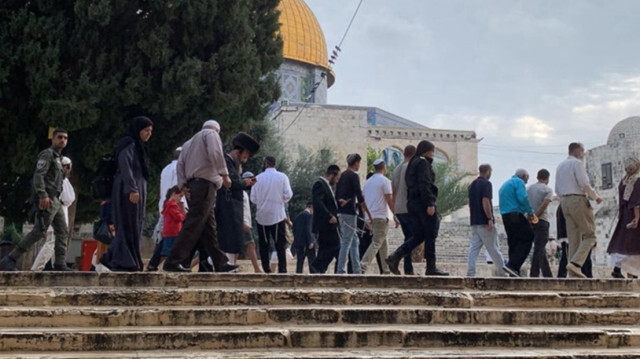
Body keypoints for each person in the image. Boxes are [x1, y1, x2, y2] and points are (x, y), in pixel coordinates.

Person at [162, 120, 237, 273]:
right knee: (193, 223)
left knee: (208, 228)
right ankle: (172, 261)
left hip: (192, 186)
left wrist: (183, 185)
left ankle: (220, 262)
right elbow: (215, 154)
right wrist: (225, 175)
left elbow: (180, 165)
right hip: (205, 185)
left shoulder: (189, 142)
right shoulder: (211, 134)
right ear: (217, 129)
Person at [1, 128, 72, 271]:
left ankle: (60, 263)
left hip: (56, 200)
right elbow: (39, 176)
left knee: (63, 232)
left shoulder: (58, 157)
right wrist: (43, 195)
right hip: (48, 199)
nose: (62, 140)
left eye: (65, 138)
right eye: (60, 137)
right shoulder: (47, 155)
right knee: (39, 231)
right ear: (53, 139)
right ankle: (11, 258)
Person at [386, 140, 448, 276]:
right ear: (427, 151)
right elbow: (424, 184)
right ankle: (431, 267)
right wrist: (430, 203)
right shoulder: (423, 163)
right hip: (422, 204)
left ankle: (395, 256)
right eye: (432, 151)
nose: (433, 155)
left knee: (419, 235)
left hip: (412, 204)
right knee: (430, 234)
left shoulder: (412, 163)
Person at [100, 116, 153, 272]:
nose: (148, 134)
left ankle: (125, 259)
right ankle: (122, 259)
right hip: (128, 189)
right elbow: (125, 165)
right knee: (127, 223)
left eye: (150, 131)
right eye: (146, 130)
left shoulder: (138, 146)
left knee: (135, 224)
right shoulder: (128, 143)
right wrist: (132, 189)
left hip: (136, 186)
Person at [555, 142, 602, 278]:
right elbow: (584, 183)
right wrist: (595, 197)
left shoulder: (560, 166)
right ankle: (576, 264)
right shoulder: (577, 164)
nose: (583, 153)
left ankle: (572, 273)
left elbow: (557, 189)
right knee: (590, 235)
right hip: (578, 199)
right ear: (576, 151)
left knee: (573, 238)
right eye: (582, 151)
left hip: (564, 202)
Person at [217, 133, 260, 265]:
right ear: (237, 153)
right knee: (226, 239)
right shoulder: (227, 162)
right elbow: (233, 183)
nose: (245, 160)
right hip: (226, 206)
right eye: (244, 156)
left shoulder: (232, 164)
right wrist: (245, 183)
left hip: (231, 207)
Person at [31, 156, 76, 271]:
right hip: (56, 215)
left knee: (54, 243)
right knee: (51, 243)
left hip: (51, 213)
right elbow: (68, 198)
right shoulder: (61, 180)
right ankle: (36, 268)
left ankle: (56, 265)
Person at [250, 156, 293, 273]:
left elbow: (253, 198)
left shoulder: (256, 178)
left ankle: (266, 268)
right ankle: (282, 269)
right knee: (280, 244)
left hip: (262, 216)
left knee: (264, 244)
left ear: (265, 164)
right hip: (277, 214)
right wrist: (279, 200)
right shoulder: (283, 177)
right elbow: (288, 195)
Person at [466, 164, 505, 277]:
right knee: (493, 248)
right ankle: (502, 272)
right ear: (488, 171)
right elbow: (485, 201)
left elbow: (470, 203)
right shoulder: (487, 184)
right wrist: (489, 218)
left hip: (474, 222)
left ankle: (471, 272)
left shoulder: (472, 185)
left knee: (474, 248)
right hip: (484, 221)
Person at [335, 153, 372, 274]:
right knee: (346, 241)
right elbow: (359, 196)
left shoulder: (342, 176)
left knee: (354, 241)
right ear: (356, 162)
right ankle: (341, 269)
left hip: (341, 212)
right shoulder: (354, 176)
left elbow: (338, 195)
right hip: (349, 213)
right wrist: (368, 214)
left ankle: (357, 269)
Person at [148, 147, 183, 271]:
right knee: (169, 239)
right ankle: (156, 263)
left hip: (164, 205)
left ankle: (154, 263)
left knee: (165, 238)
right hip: (174, 207)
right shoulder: (178, 169)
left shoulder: (166, 169)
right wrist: (181, 206)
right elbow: (177, 189)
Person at [361, 159, 397, 274]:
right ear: (384, 168)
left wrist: (366, 217)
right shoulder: (385, 181)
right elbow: (389, 199)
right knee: (377, 242)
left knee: (383, 243)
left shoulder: (367, 182)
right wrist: (395, 214)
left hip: (370, 217)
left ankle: (386, 270)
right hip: (381, 216)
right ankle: (362, 265)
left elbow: (363, 201)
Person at [607, 156, 640, 278]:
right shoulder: (637, 181)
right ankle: (630, 272)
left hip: (624, 215)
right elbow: (636, 203)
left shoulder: (623, 181)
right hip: (632, 216)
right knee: (632, 245)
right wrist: (636, 218)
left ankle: (622, 269)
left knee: (623, 243)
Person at [498, 168, 535, 277]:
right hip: (515, 214)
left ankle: (513, 270)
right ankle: (513, 265)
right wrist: (530, 212)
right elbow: (523, 198)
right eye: (527, 179)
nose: (526, 182)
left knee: (513, 242)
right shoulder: (519, 182)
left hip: (505, 216)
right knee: (528, 236)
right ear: (524, 176)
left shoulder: (505, 185)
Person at [310, 165, 342, 273]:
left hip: (328, 224)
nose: (337, 181)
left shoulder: (326, 186)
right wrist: (329, 216)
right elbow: (318, 203)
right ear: (332, 175)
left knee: (326, 248)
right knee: (335, 245)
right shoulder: (320, 184)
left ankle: (320, 269)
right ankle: (317, 266)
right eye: (337, 178)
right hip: (325, 224)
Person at [392, 145, 417, 275]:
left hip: (399, 208)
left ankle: (408, 267)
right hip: (409, 208)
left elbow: (394, 191)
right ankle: (396, 258)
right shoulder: (412, 167)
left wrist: (394, 212)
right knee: (414, 237)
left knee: (408, 237)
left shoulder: (396, 169)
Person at [147, 186, 186, 269]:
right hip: (173, 232)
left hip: (168, 231)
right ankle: (169, 265)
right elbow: (178, 217)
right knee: (169, 251)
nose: (180, 199)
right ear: (174, 194)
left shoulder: (167, 205)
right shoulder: (172, 205)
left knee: (164, 250)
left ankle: (153, 265)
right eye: (180, 196)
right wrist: (184, 215)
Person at [527, 169, 554, 278]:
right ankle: (534, 273)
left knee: (540, 248)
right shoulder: (547, 190)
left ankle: (548, 275)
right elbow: (544, 205)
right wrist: (535, 216)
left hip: (529, 220)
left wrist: (530, 216)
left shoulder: (528, 189)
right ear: (547, 178)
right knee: (539, 248)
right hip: (541, 220)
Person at [557, 205, 593, 278]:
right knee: (568, 257)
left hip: (573, 235)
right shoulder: (574, 202)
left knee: (567, 257)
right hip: (573, 235)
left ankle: (563, 276)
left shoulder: (564, 203)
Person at [241, 171, 263, 273]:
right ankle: (257, 269)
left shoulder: (244, 193)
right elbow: (239, 209)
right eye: (252, 180)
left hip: (244, 223)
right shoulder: (240, 193)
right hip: (242, 223)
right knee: (251, 244)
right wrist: (244, 222)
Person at [292, 203, 316, 273]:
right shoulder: (309, 216)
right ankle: (313, 277)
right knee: (312, 261)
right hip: (307, 242)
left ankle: (298, 276)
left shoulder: (298, 216)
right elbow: (308, 229)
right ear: (311, 207)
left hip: (298, 242)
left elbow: (294, 229)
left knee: (299, 262)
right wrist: (311, 241)